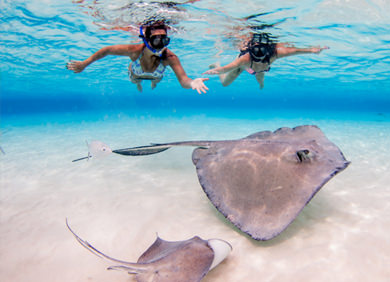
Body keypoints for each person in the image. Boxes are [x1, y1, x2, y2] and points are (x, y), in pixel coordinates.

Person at [66, 21, 209, 94]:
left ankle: (152, 83)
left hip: (155, 74)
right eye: (156, 40)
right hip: (137, 72)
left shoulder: (169, 57)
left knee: (156, 80)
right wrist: (85, 63)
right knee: (135, 80)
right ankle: (139, 84)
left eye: (164, 40)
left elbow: (183, 80)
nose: (161, 46)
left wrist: (192, 83)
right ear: (146, 40)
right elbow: (107, 50)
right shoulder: (134, 51)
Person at [203, 33, 329, 89]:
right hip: (245, 67)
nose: (259, 62)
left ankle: (261, 84)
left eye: (261, 59)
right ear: (251, 54)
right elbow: (227, 68)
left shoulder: (275, 54)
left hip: (261, 71)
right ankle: (216, 62)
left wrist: (313, 50)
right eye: (256, 58)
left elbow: (296, 51)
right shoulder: (244, 59)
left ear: (267, 54)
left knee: (260, 80)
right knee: (225, 83)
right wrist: (216, 70)